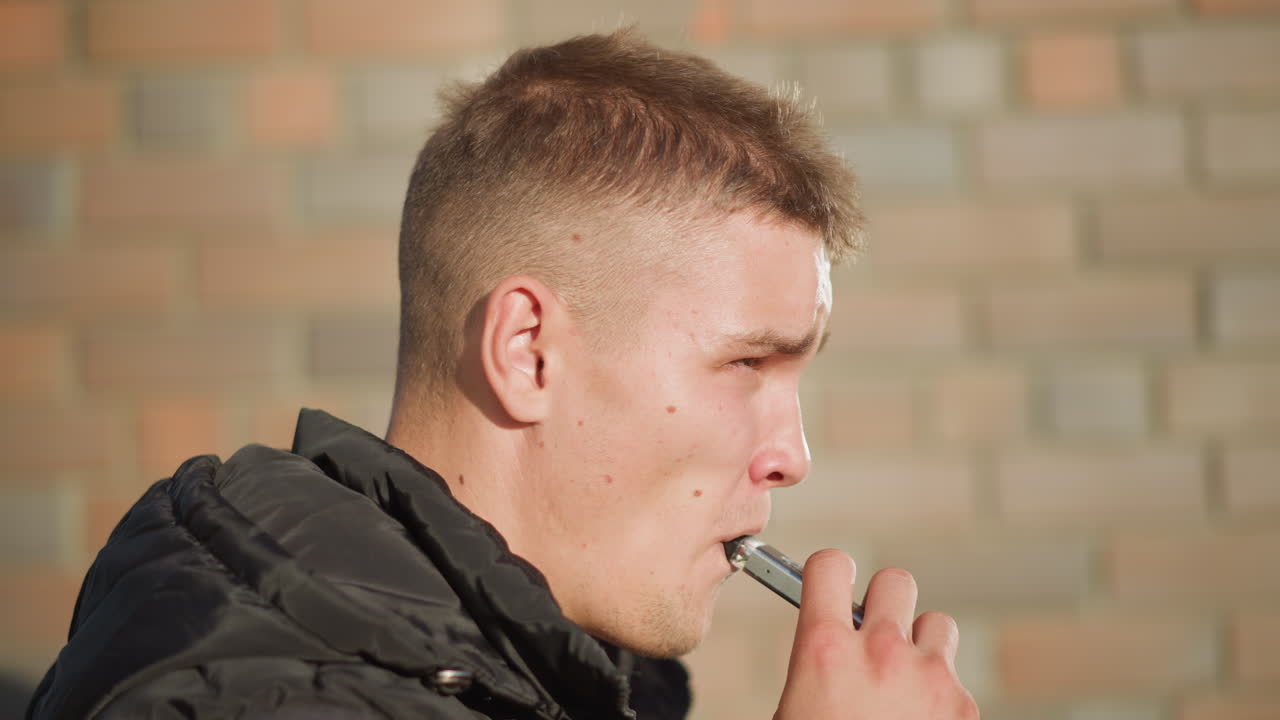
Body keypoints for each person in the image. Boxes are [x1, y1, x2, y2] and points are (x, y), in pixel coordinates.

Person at [27, 30, 978, 720]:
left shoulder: (521, 673)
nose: (792, 457)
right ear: (528, 352)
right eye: (745, 362)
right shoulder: (266, 702)